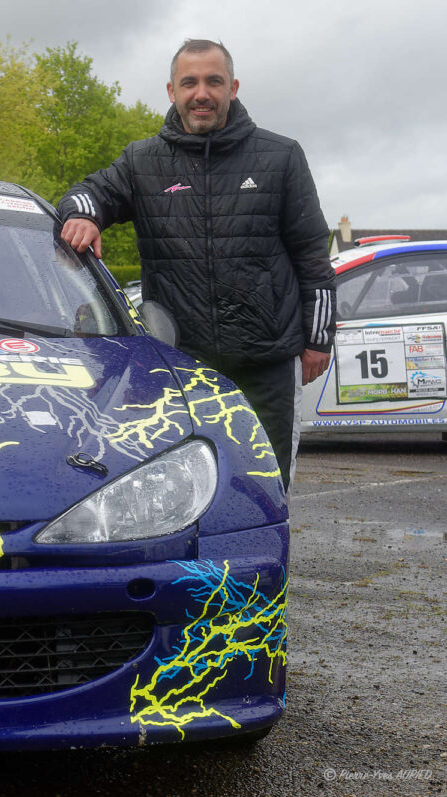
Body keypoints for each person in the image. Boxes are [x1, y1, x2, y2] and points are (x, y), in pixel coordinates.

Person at [59, 39, 335, 491]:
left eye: (213, 81)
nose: (201, 93)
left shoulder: (281, 156)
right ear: (172, 91)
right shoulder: (142, 161)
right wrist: (81, 216)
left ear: (233, 87)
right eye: (190, 82)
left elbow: (312, 255)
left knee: (267, 487)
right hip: (180, 366)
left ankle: (267, 565)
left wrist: (318, 338)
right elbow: (86, 194)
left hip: (267, 364)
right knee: (179, 489)